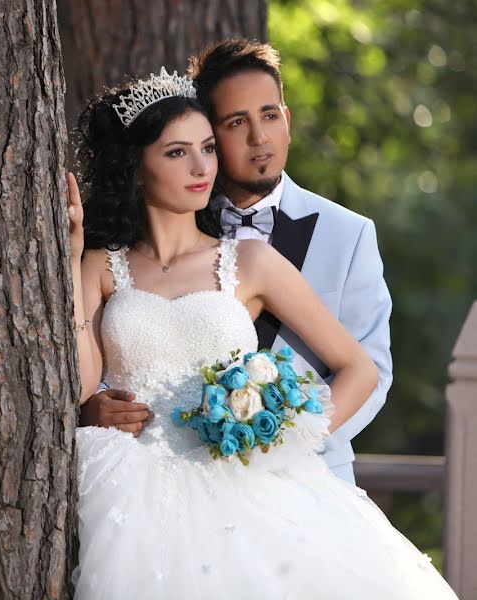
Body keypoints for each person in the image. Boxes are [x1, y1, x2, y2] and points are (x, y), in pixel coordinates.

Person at [66, 68, 456, 598]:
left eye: (207, 147)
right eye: (177, 153)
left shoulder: (249, 260)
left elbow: (359, 367)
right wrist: (70, 262)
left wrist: (287, 441)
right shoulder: (98, 266)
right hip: (129, 481)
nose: (203, 166)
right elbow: (82, 381)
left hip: (241, 481)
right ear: (135, 167)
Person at [79, 39, 392, 486]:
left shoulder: (348, 234)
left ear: (286, 119)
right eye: (236, 122)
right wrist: (96, 406)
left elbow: (369, 370)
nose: (259, 138)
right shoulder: (168, 223)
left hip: (303, 477)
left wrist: (283, 448)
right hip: (144, 476)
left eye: (269, 115)